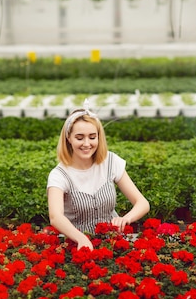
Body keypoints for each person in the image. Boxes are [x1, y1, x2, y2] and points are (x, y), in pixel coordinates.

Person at [47, 101, 150, 250]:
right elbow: (55, 217)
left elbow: (142, 203)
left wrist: (126, 219)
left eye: (92, 137)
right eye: (80, 137)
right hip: (76, 245)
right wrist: (81, 238)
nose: (87, 143)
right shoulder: (59, 174)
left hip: (112, 241)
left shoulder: (110, 161)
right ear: (68, 138)